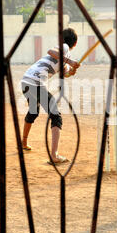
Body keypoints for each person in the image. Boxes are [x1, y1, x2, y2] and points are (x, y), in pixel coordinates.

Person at [20, 28, 80, 164]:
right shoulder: (64, 48)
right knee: (56, 116)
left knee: (33, 111)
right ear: (75, 43)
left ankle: (23, 142)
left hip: (26, 81)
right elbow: (51, 52)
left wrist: (73, 69)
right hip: (36, 82)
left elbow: (66, 73)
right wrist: (70, 62)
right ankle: (54, 155)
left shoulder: (64, 57)